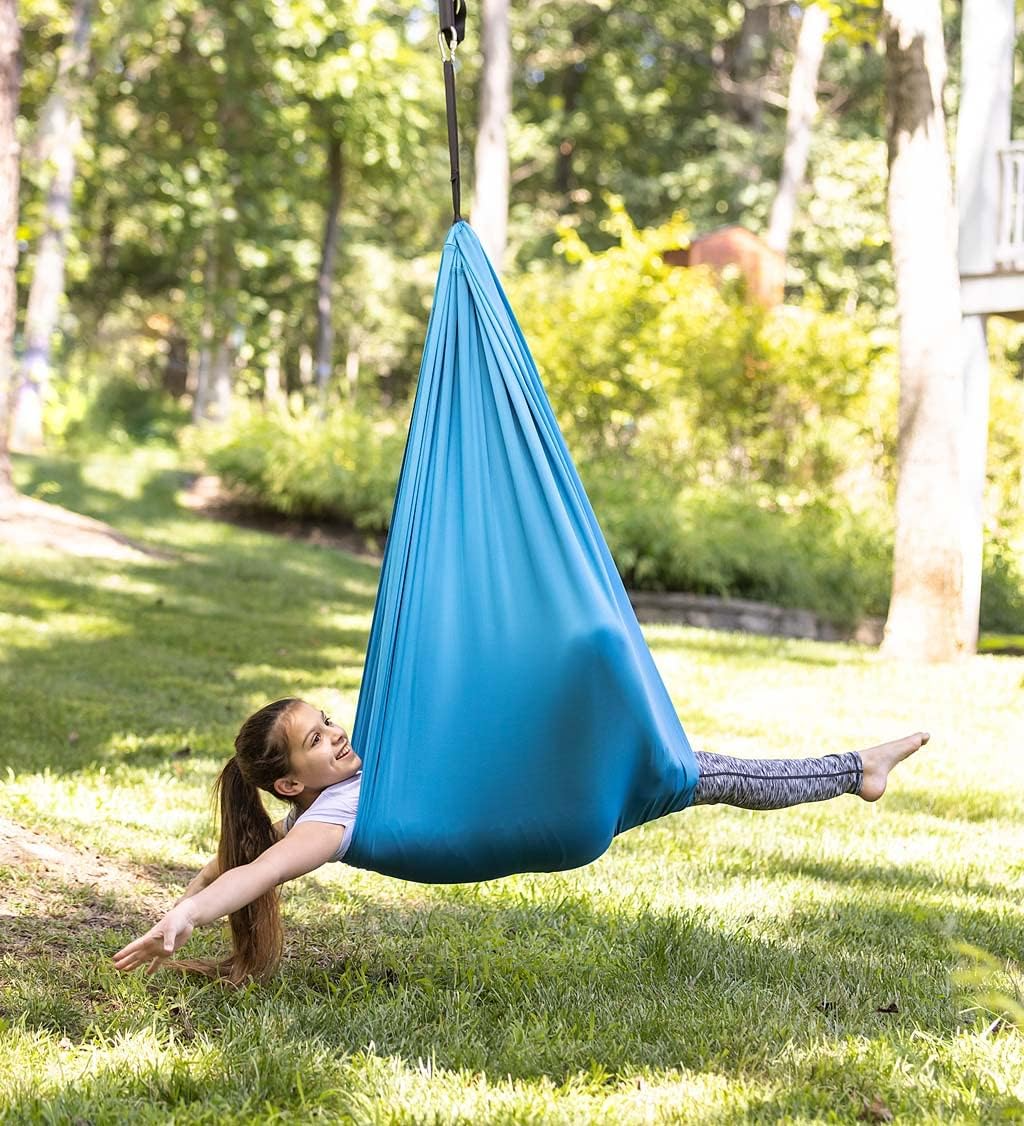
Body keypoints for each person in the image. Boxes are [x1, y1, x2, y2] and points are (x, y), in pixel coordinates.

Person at [112, 696, 929, 984]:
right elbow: (250, 878)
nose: (336, 735)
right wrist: (191, 917)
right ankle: (854, 768)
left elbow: (230, 862)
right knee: (690, 769)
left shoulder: (316, 803)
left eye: (327, 721)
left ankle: (854, 769)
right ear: (291, 784)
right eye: (315, 741)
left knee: (700, 772)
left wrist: (180, 902)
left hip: (531, 795)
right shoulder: (324, 827)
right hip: (548, 814)